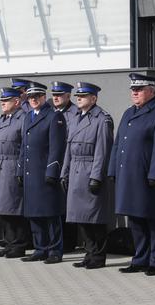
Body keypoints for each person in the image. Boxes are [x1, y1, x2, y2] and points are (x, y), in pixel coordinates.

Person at [109, 73, 155, 276]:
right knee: (135, 220)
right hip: (128, 176)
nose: (135, 93)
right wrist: (112, 169)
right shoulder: (129, 113)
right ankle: (140, 258)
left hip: (148, 177)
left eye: (139, 89)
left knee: (152, 220)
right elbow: (118, 143)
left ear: (151, 91)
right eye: (133, 90)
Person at [60, 82, 114, 269]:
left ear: (94, 98)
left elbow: (103, 151)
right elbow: (69, 147)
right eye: (78, 96)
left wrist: (96, 177)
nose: (79, 98)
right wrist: (64, 172)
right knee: (80, 218)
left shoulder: (102, 119)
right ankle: (89, 253)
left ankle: (98, 256)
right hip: (75, 170)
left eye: (83, 96)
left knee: (94, 219)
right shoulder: (75, 118)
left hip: (90, 171)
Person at [18, 83, 67, 264]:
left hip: (45, 173)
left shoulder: (54, 116)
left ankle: (55, 250)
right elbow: (24, 146)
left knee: (50, 214)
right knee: (34, 214)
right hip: (31, 173)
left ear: (42, 96)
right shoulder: (28, 117)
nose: (33, 100)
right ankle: (40, 248)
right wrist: (20, 170)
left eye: (37, 96)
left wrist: (52, 171)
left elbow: (57, 148)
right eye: (30, 97)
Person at [0, 88, 29, 258]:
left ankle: (18, 245)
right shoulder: (2, 119)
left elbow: (24, 147)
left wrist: (21, 170)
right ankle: (8, 242)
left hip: (12, 166)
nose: (2, 103)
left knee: (14, 208)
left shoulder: (23, 119)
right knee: (2, 208)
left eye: (7, 100)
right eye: (1, 100)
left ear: (17, 102)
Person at [50, 81, 79, 254]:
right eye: (54, 95)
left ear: (68, 96)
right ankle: (58, 241)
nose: (56, 98)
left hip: (69, 164)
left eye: (59, 95)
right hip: (55, 164)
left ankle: (70, 242)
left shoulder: (75, 113)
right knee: (57, 206)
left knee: (70, 206)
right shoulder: (51, 113)